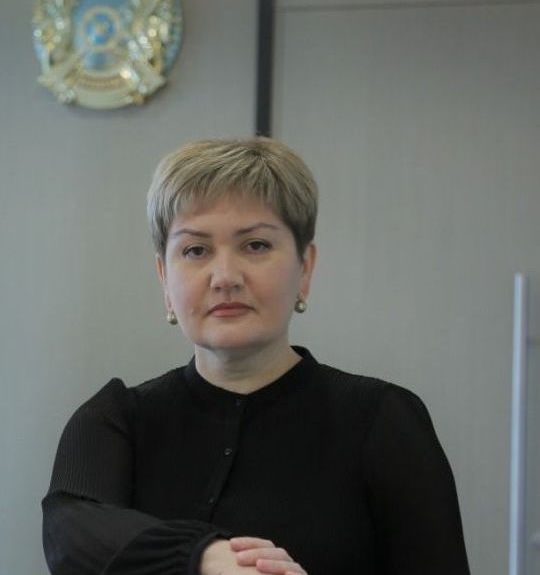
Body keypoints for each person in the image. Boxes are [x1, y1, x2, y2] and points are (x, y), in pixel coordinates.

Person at [42, 137, 471, 575]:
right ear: (164, 279)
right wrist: (205, 558)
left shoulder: (384, 421)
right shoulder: (115, 419)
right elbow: (70, 533)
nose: (225, 277)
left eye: (256, 246)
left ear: (305, 268)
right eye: (195, 250)